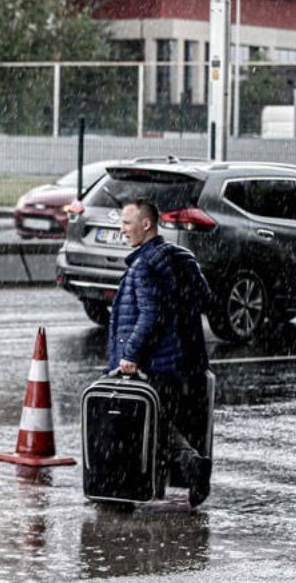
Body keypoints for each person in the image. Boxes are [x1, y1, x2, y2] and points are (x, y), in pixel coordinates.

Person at [108, 198, 215, 507]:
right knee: (167, 420)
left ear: (146, 224)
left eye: (127, 223)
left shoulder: (144, 265)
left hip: (155, 362)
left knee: (150, 423)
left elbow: (151, 315)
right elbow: (203, 298)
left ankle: (189, 465)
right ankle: (160, 488)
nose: (122, 229)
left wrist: (131, 354)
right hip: (186, 360)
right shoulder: (182, 257)